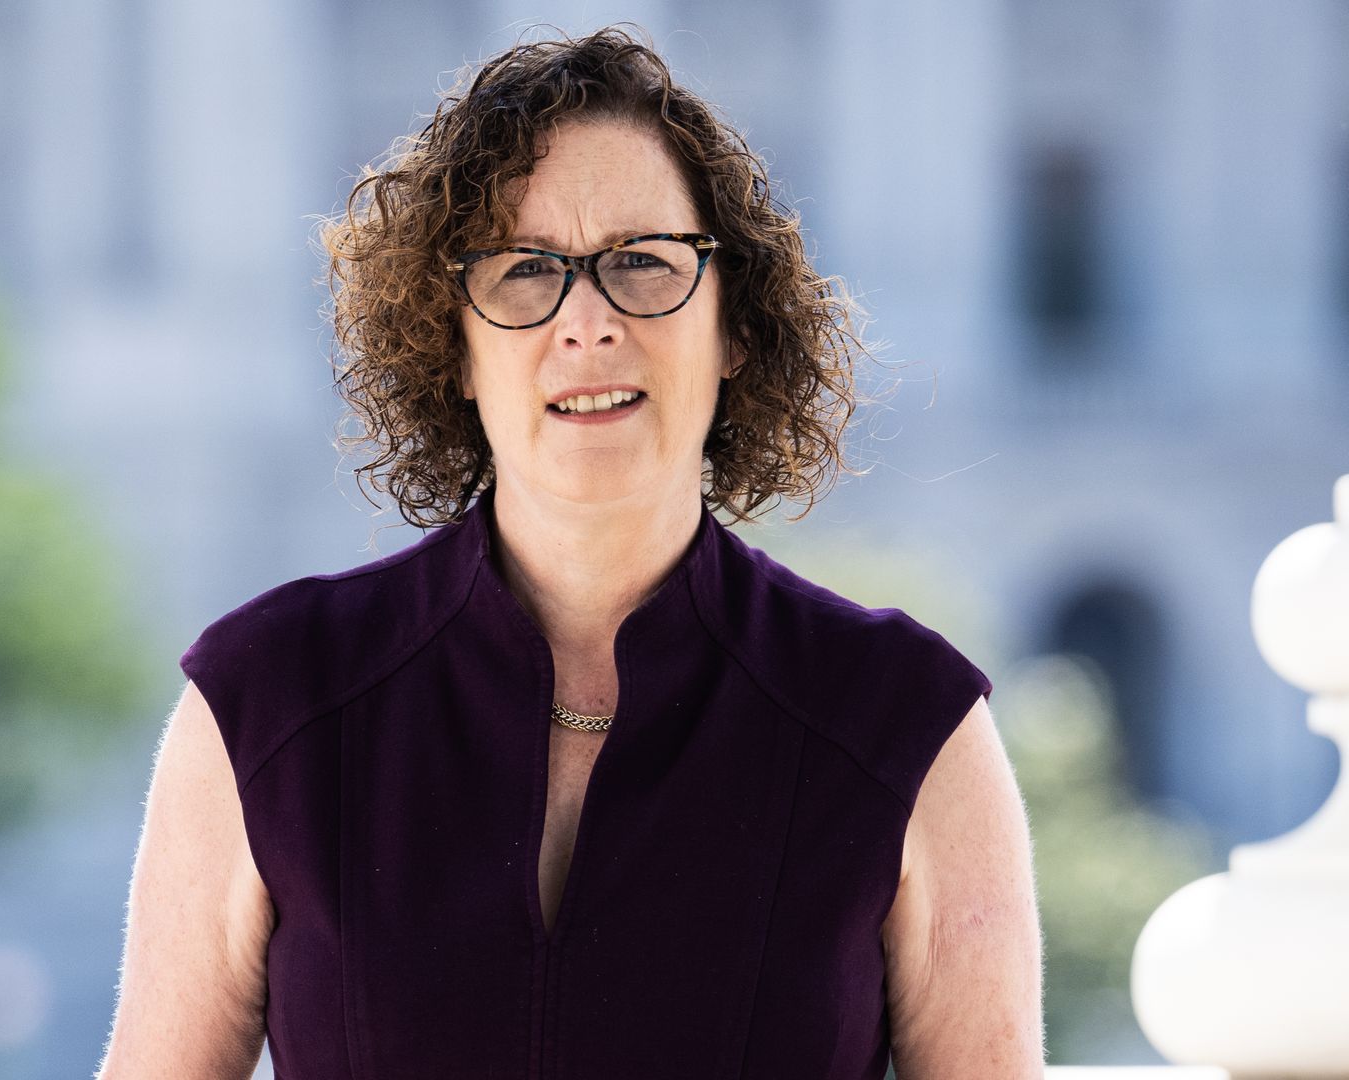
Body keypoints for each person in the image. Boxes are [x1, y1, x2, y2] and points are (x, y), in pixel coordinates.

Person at [99, 25, 1043, 1080]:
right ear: (451, 343)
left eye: (642, 262)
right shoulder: (264, 701)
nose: (586, 322)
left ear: (735, 325)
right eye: (522, 272)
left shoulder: (906, 725)